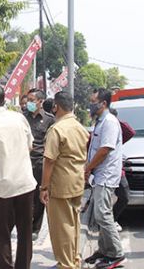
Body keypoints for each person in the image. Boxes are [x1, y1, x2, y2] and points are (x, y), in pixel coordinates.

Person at [0, 85, 37, 269]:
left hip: (1, 185)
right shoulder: (19, 118)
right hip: (25, 182)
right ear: (4, 99)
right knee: (25, 231)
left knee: (1, 234)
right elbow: (30, 146)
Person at [40, 91, 89, 269]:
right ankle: (74, 260)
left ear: (56, 107)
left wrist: (43, 187)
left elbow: (49, 160)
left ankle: (66, 264)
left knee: (61, 227)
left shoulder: (57, 129)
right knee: (74, 223)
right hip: (76, 180)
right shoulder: (79, 127)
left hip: (60, 183)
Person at [84, 88, 126, 269]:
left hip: (106, 174)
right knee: (100, 213)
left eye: (94, 101)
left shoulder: (109, 122)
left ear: (104, 103)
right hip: (100, 174)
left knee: (102, 214)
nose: (91, 104)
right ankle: (104, 249)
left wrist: (89, 167)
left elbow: (105, 149)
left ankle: (116, 253)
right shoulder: (100, 122)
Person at [24, 88, 55, 240]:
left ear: (40, 102)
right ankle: (22, 223)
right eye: (27, 100)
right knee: (23, 194)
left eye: (32, 100)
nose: (28, 103)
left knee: (38, 196)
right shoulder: (22, 117)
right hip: (23, 161)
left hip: (40, 162)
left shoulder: (50, 120)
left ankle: (35, 228)